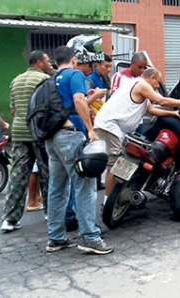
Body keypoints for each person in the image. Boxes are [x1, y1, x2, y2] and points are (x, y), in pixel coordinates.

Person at [94, 67, 180, 200]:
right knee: (114, 165)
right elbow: (161, 101)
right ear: (151, 78)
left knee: (121, 162)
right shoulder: (142, 84)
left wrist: (173, 113)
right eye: (157, 82)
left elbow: (152, 110)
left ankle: (119, 197)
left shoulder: (138, 87)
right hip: (110, 126)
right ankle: (107, 202)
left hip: (113, 127)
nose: (158, 86)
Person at [45, 45, 113, 255]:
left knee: (57, 187)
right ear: (74, 60)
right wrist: (91, 130)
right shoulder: (73, 74)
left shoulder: (51, 80)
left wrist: (87, 97)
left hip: (52, 137)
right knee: (84, 186)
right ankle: (89, 237)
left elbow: (72, 103)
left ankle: (56, 238)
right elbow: (78, 100)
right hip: (70, 135)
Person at [0, 51, 53, 233]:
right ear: (39, 62)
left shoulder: (16, 81)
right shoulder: (44, 80)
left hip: (19, 131)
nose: (49, 63)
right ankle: (50, 212)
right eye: (47, 61)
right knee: (46, 173)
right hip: (38, 131)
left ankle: (9, 219)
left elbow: (13, 110)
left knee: (17, 175)